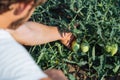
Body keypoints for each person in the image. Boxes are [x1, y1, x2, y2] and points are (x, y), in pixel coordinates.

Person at [0, 0, 74, 80]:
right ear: (24, 7)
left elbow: (24, 31)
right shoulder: (11, 60)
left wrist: (62, 34)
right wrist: (59, 78)